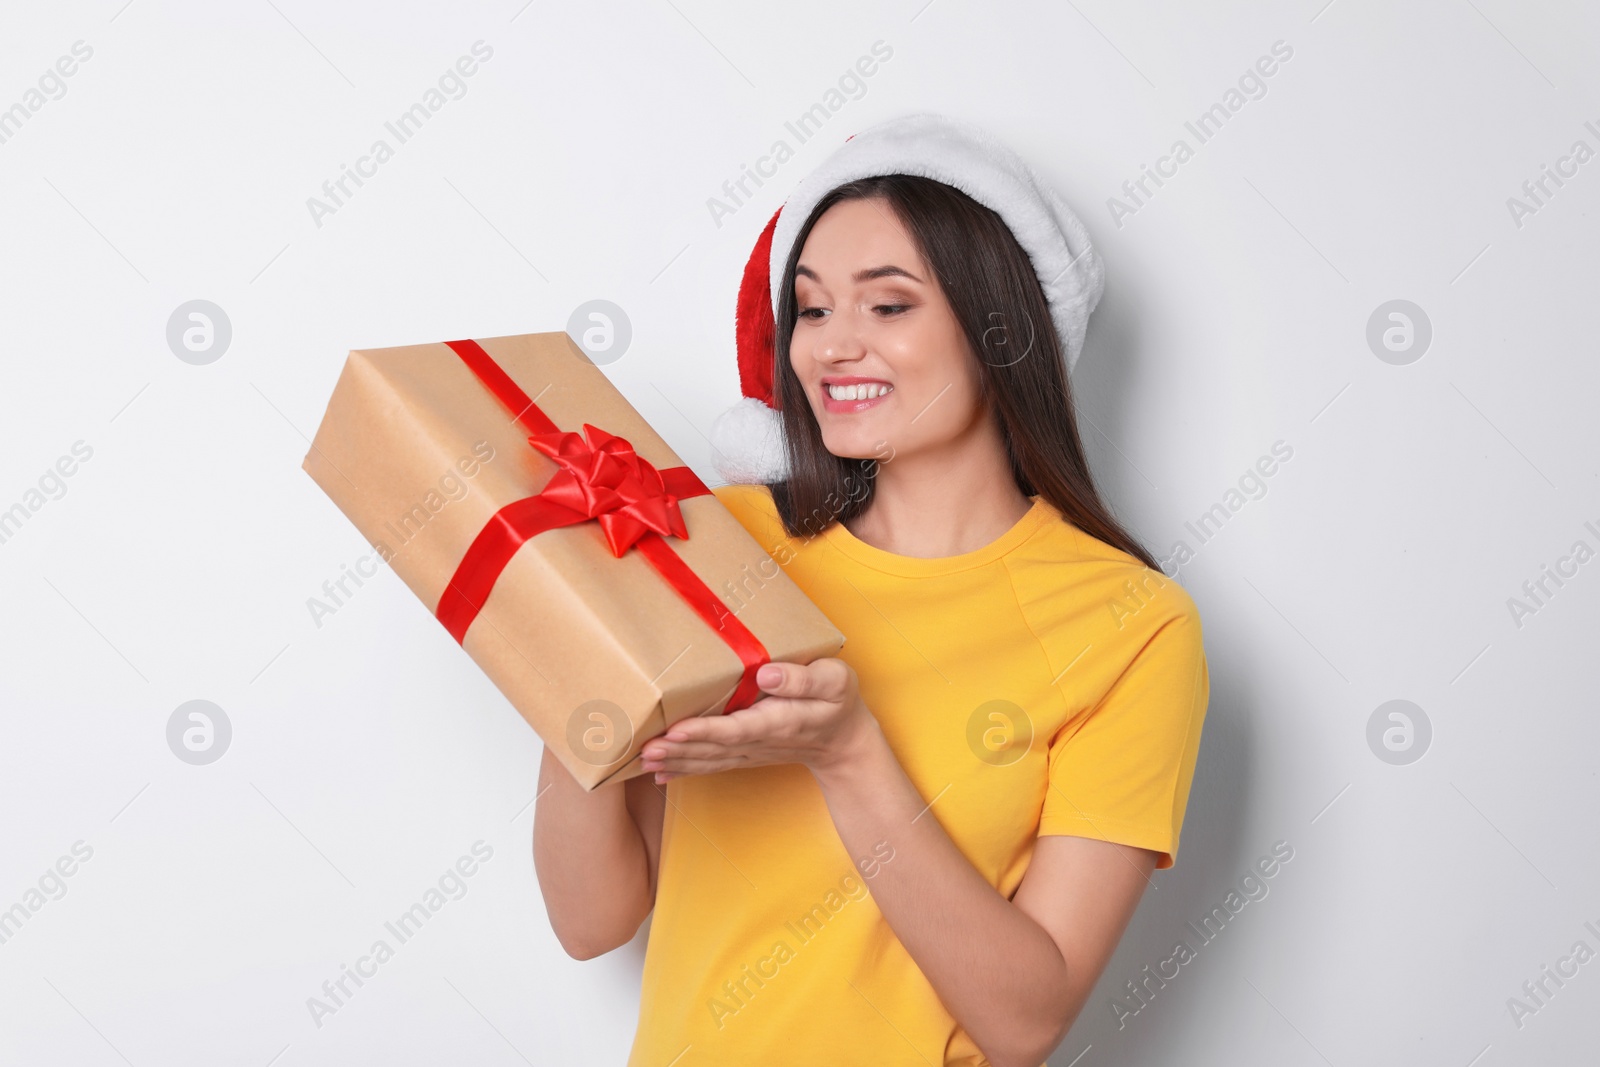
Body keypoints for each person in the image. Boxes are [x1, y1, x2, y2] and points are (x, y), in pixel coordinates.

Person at [533, 113, 1210, 1067]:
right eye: (810, 309)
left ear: (1003, 330)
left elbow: (1026, 1023)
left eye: (887, 306)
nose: (832, 347)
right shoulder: (719, 542)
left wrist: (850, 755)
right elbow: (592, 918)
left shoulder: (1130, 625)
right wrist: (569, 657)